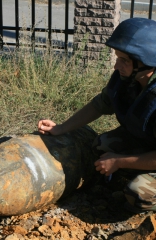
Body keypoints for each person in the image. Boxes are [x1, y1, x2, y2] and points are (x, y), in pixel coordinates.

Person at [38, 18, 156, 213]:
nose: (116, 66)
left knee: (139, 194)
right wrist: (59, 128)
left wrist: (118, 161)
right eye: (117, 58)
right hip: (149, 142)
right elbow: (99, 105)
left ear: (148, 63)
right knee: (102, 145)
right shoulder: (129, 78)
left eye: (124, 60)